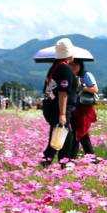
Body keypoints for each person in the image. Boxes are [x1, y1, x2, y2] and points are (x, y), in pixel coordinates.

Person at [41, 38, 80, 166]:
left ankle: (46, 160)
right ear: (69, 53)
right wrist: (62, 114)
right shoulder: (65, 69)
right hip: (60, 109)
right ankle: (64, 161)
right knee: (65, 134)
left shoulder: (55, 67)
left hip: (51, 107)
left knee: (57, 134)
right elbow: (63, 93)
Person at [71, 60, 98, 156]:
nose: (73, 67)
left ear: (80, 65)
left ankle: (72, 158)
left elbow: (95, 89)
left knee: (79, 133)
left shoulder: (86, 75)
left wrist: (82, 87)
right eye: (71, 64)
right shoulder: (69, 76)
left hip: (85, 109)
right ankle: (91, 157)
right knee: (81, 134)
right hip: (74, 109)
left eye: (75, 64)